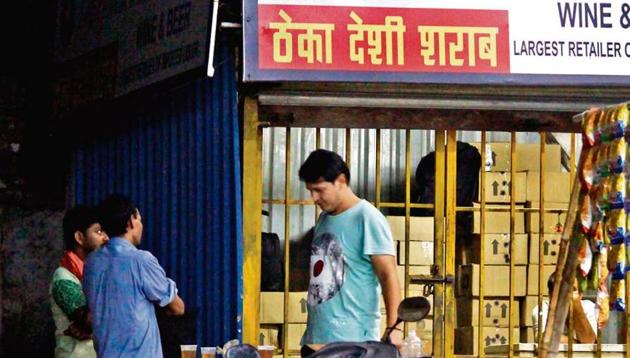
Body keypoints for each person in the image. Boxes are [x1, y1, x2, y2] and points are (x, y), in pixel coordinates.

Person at [297, 149, 402, 357]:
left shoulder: (367, 217)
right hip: (316, 341)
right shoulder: (324, 220)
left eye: (319, 190)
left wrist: (394, 328)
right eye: (310, 191)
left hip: (353, 344)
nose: (314, 198)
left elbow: (388, 275)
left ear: (341, 180)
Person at [84, 194, 185, 357]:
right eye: (140, 220)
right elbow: (177, 308)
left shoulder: (91, 263)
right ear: (131, 221)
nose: (142, 226)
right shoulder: (141, 261)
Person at [50, 205, 109, 358]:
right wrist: (91, 327)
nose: (106, 238)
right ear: (79, 237)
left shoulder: (96, 273)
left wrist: (90, 331)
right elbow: (93, 321)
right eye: (98, 231)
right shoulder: (63, 277)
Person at [532, 274, 598, 343]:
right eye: (561, 290)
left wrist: (576, 306)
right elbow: (546, 338)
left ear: (580, 295)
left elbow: (591, 343)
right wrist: (577, 343)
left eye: (573, 290)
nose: (567, 294)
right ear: (550, 296)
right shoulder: (542, 309)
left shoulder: (589, 307)